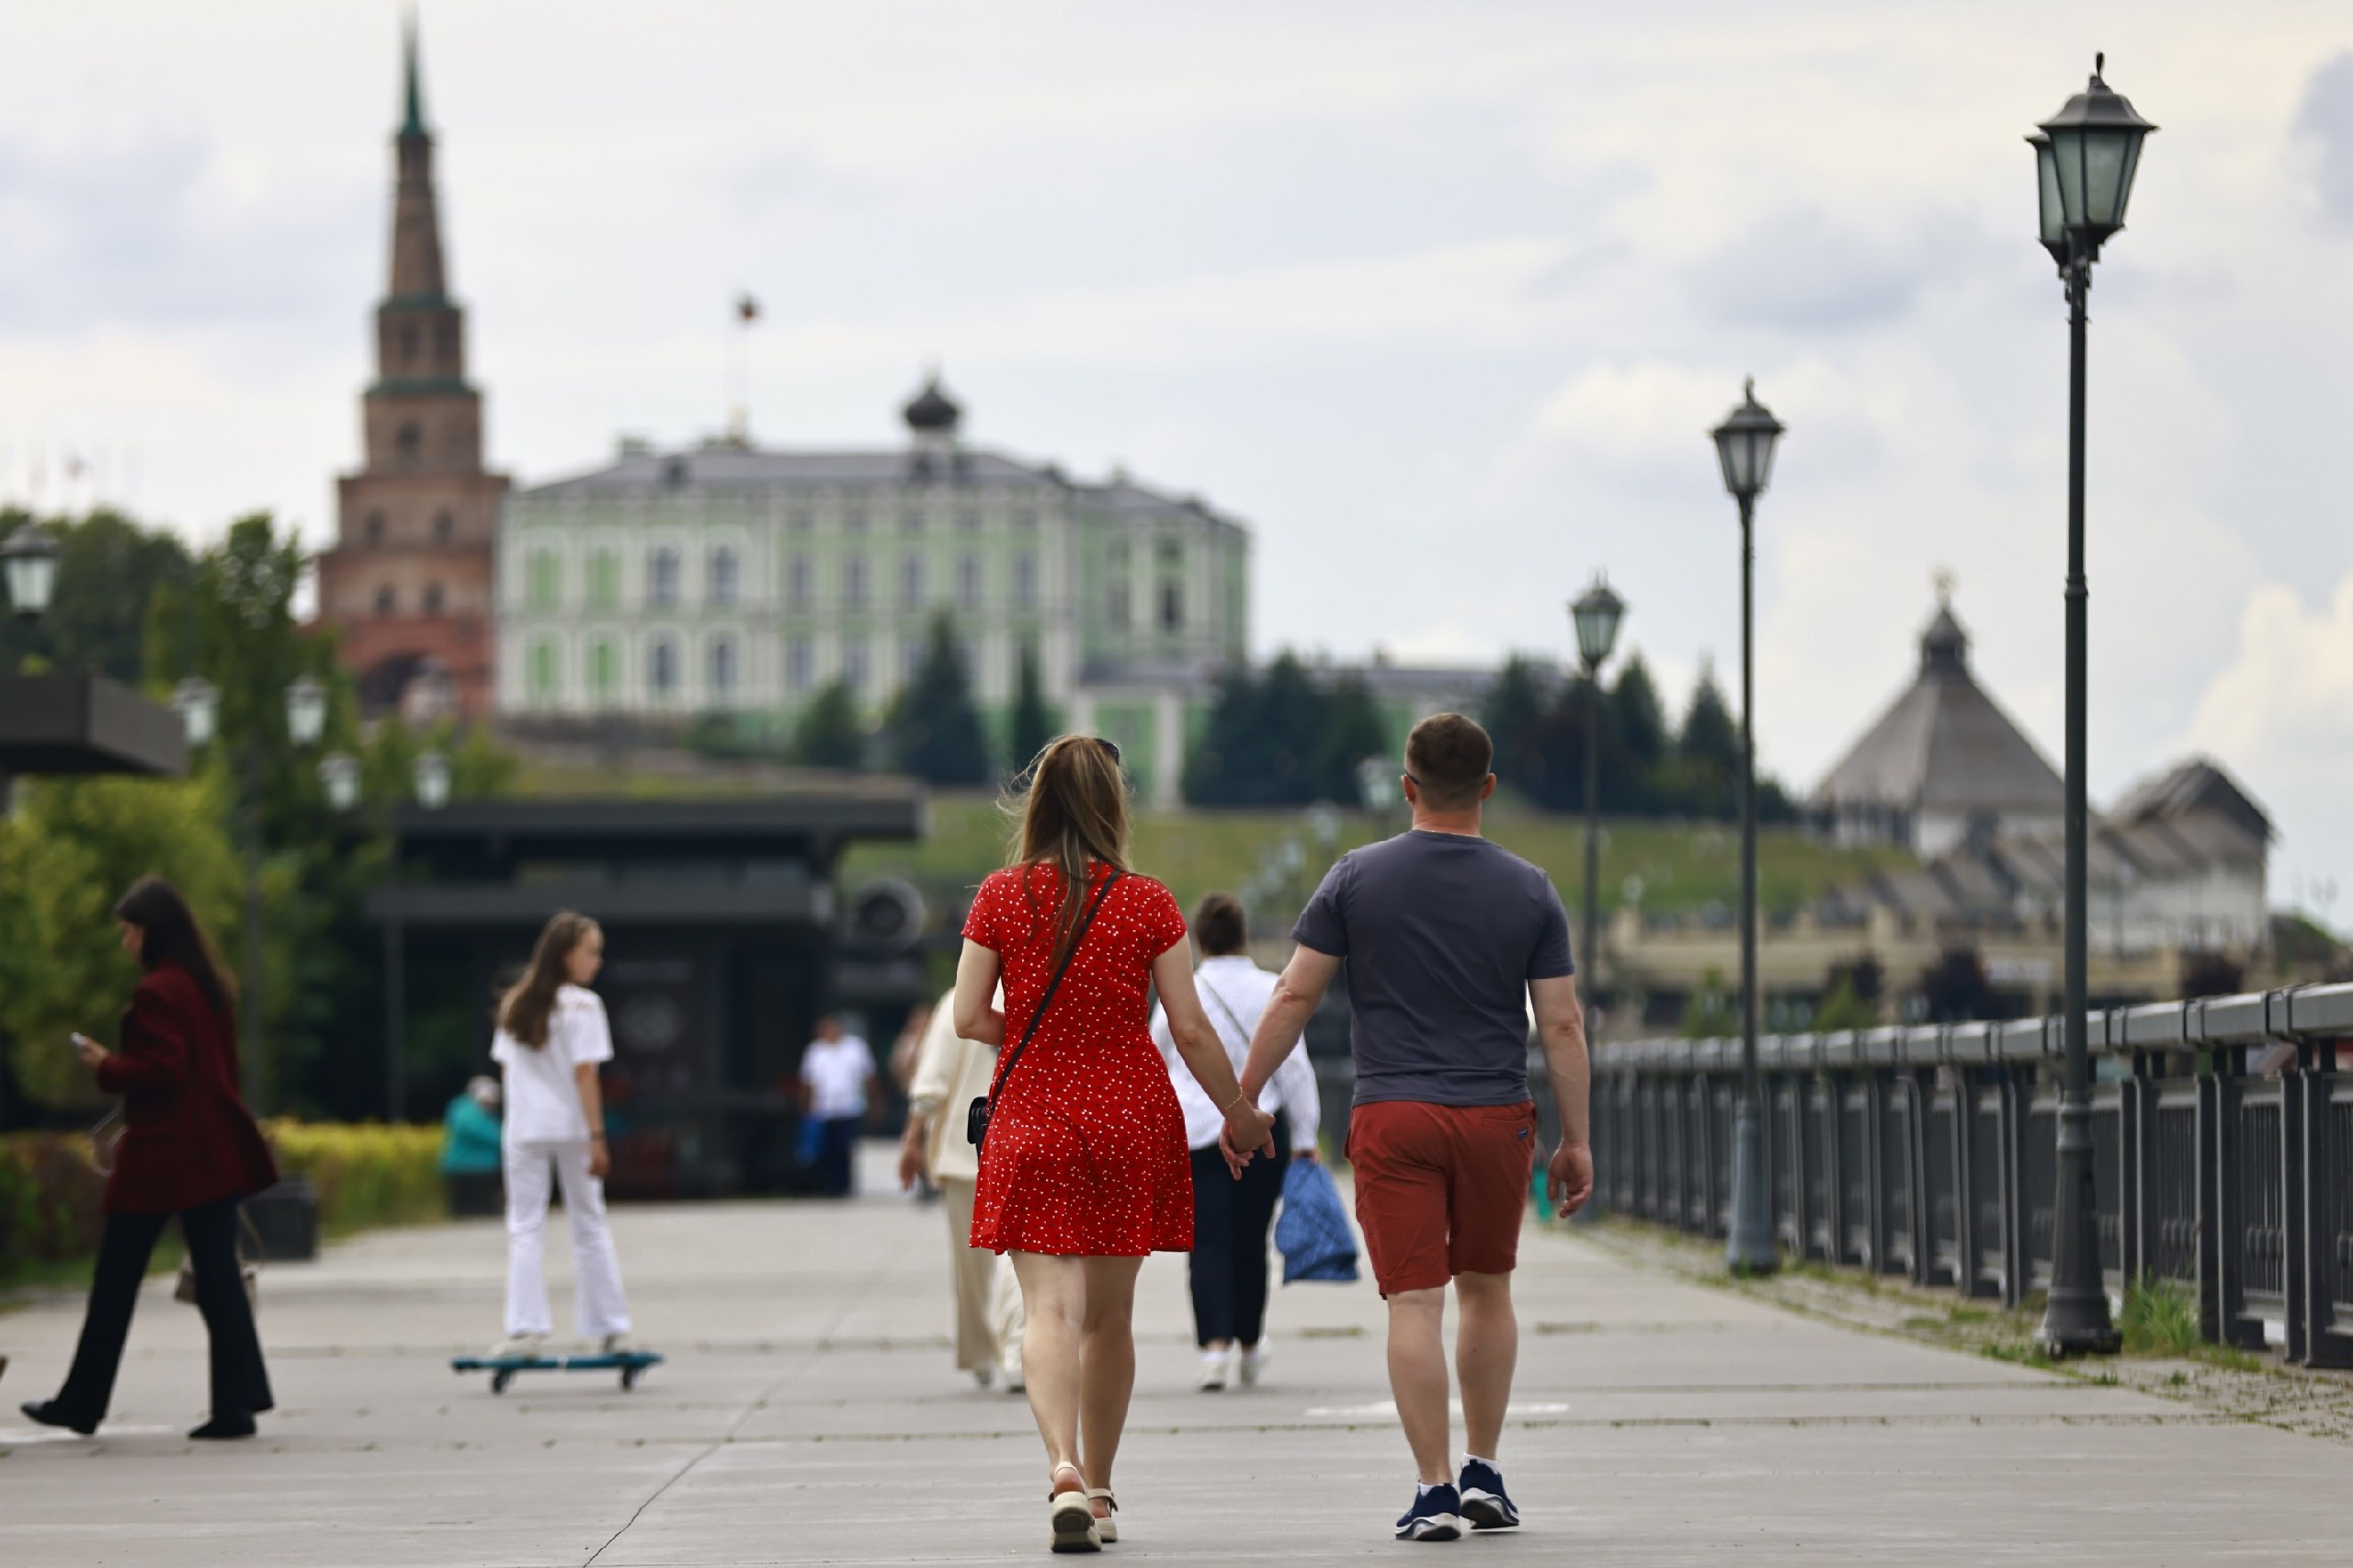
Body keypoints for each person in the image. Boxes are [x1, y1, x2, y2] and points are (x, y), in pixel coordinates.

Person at [1233, 712, 1592, 1543]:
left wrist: (1245, 1102)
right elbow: (1563, 1025)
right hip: (1496, 1114)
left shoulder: (1355, 878)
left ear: (1407, 787)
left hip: (1393, 1114)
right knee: (1488, 1291)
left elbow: (1292, 995)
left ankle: (1432, 1490)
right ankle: (1486, 1473)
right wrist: (1575, 1141)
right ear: (1489, 790)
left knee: (1414, 1303)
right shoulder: (1532, 888)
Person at [957, 733, 1276, 1553]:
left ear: (1037, 803)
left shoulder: (999, 895)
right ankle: (1098, 1491)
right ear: (1113, 804)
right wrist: (1239, 1112)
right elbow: (1192, 1030)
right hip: (1129, 1117)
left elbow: (966, 1018)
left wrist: (1037, 1030)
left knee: (1049, 1310)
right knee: (1110, 1318)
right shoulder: (1148, 903)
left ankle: (1060, 1466)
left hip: (1032, 1114)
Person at [21, 876, 278, 1440]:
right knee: (218, 1279)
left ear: (149, 931)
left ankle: (82, 1402)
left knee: (116, 1279)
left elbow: (164, 1071)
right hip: (211, 1149)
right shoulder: (208, 986)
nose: (124, 943)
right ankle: (237, 1404)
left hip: (166, 1155)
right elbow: (214, 1072)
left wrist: (106, 1064)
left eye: (128, 931)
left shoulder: (158, 991)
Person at [1149, 892, 1321, 1392]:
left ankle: (1213, 1349)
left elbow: (1158, 1063)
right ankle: (1249, 1343)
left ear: (1199, 940)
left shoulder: (1185, 994)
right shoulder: (1273, 988)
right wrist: (1307, 1138)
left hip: (1198, 1134)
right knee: (1252, 1240)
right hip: (1263, 1130)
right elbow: (1294, 1068)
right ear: (1243, 936)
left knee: (1207, 1241)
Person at [488, 911, 633, 1359]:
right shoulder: (584, 1006)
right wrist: (597, 1136)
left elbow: (508, 1070)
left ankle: (525, 1329)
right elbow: (585, 1074)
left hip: (525, 1128)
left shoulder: (515, 1003)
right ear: (568, 954)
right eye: (592, 951)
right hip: (572, 1127)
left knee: (525, 1227)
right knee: (588, 1222)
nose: (598, 961)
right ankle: (607, 1324)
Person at [897, 986, 1027, 1392]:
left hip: (963, 1149)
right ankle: (1017, 1350)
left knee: (973, 1271)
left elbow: (932, 1079)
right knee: (1022, 1258)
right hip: (1028, 1142)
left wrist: (912, 1139)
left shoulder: (959, 998)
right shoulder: (1043, 983)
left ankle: (989, 1353)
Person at [797, 1015, 877, 1198]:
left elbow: (869, 1077)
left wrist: (874, 1104)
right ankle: (829, 1186)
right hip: (823, 1109)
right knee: (826, 1149)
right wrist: (805, 1107)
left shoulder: (855, 1048)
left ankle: (844, 1186)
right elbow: (808, 1081)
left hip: (849, 1108)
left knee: (844, 1148)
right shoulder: (815, 1051)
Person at [440, 1075, 505, 1218]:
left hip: (483, 1169)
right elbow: (490, 1135)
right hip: (464, 1168)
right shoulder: (464, 1111)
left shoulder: (482, 1113)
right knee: (467, 1211)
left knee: (481, 1211)